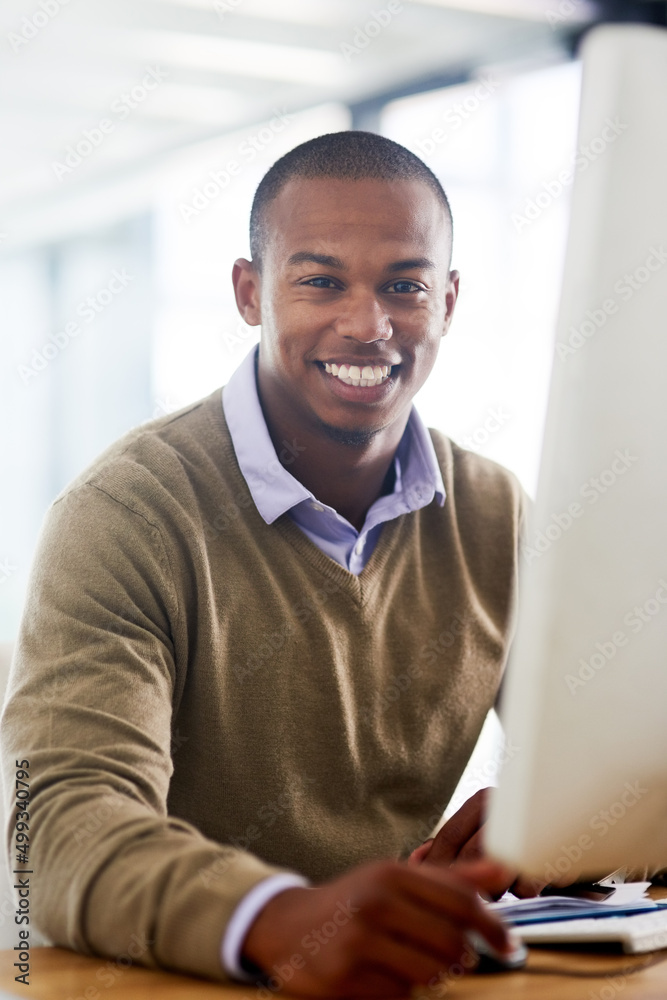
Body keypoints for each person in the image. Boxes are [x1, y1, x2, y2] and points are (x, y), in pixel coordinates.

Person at [1, 131, 530, 996]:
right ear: (250, 294)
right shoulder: (127, 514)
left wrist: (554, 825)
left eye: (406, 285)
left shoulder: (495, 513)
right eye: (320, 280)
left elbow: (629, 754)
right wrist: (282, 921)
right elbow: (53, 833)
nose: (369, 325)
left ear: (449, 300)